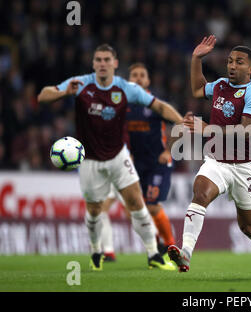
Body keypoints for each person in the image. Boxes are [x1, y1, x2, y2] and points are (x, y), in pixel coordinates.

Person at [37, 44, 182, 271]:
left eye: (106, 60)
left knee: (137, 202)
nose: (102, 64)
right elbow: (43, 96)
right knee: (95, 210)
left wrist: (181, 121)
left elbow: (160, 107)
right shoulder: (81, 83)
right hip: (89, 160)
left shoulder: (126, 88)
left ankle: (154, 254)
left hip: (118, 155)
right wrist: (64, 92)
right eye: (98, 60)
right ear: (93, 64)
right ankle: (97, 249)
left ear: (115, 63)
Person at [168, 35, 251, 278]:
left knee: (248, 227)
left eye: (238, 62)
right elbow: (197, 89)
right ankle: (185, 252)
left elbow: (247, 130)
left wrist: (208, 129)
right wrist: (196, 59)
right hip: (217, 161)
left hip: (245, 167)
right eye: (229, 61)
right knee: (200, 194)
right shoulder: (219, 86)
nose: (232, 66)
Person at [100, 63, 180, 264]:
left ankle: (170, 244)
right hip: (135, 165)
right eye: (133, 75)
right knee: (133, 210)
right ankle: (155, 244)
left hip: (157, 164)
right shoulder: (123, 107)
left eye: (141, 75)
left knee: (151, 206)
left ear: (147, 81)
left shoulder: (154, 105)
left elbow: (179, 126)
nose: (137, 78)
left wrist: (168, 150)